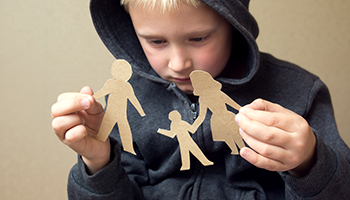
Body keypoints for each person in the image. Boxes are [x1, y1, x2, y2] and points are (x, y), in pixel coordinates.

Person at [50, 0, 350, 199]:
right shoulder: (125, 104)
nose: (179, 63)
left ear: (234, 25)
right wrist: (98, 162)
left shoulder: (299, 91)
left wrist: (309, 162)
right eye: (156, 41)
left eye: (198, 39)